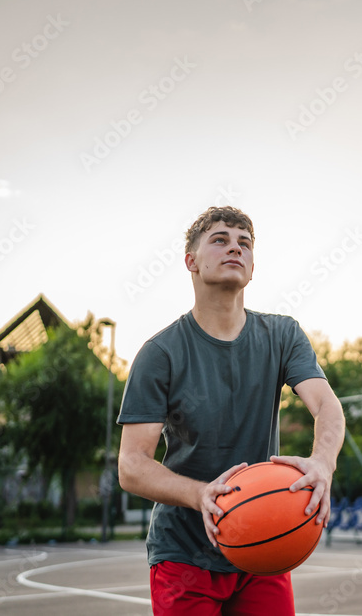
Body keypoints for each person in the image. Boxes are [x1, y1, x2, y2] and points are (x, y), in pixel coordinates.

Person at [117, 206, 345, 615]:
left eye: (245, 243)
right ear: (191, 260)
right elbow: (132, 466)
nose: (234, 248)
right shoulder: (160, 353)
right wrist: (202, 494)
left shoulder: (283, 335)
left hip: (264, 537)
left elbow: (327, 406)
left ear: (253, 267)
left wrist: (323, 463)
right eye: (219, 240)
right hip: (185, 553)